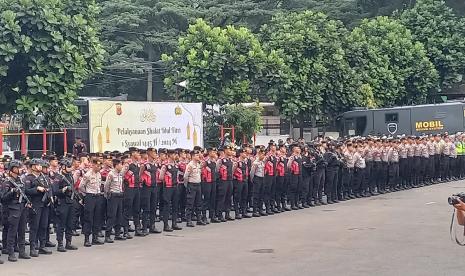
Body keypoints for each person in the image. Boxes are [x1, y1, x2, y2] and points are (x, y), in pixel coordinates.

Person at [0, 160, 31, 262]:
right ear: (12, 169)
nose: (20, 169)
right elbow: (3, 198)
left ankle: (22, 251)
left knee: (22, 230)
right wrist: (12, 191)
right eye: (17, 167)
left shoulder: (21, 181)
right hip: (12, 209)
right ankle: (11, 252)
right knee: (12, 231)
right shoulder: (6, 182)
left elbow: (25, 194)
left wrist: (28, 202)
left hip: (22, 207)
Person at [52, 158, 78, 252]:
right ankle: (60, 244)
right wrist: (63, 190)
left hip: (71, 201)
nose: (71, 168)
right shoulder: (58, 177)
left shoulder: (70, 176)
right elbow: (55, 191)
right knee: (61, 224)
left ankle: (68, 242)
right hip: (62, 202)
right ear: (63, 167)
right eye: (69, 166)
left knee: (70, 223)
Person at [79, 159, 104, 247]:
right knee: (88, 218)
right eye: (97, 165)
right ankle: (86, 238)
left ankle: (95, 237)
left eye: (100, 166)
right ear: (93, 165)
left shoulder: (99, 174)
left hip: (98, 196)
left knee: (97, 217)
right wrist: (86, 194)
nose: (99, 167)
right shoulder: (88, 174)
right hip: (90, 197)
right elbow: (81, 186)